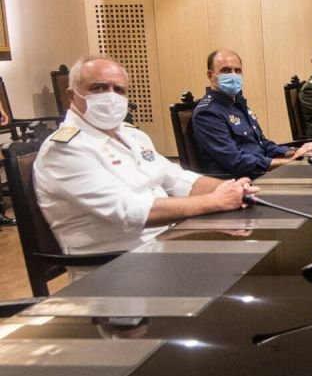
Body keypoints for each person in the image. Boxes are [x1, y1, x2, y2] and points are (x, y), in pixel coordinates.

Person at [34, 56, 256, 255]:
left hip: (163, 244)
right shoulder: (66, 149)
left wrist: (231, 188)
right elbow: (131, 211)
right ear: (72, 95)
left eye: (119, 90)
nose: (111, 96)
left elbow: (176, 178)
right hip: (114, 265)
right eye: (99, 88)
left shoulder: (131, 135)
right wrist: (214, 201)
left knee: (251, 254)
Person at [192, 49, 312, 178]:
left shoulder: (238, 104)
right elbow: (236, 161)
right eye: (226, 70)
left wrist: (293, 153)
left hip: (259, 173)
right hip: (238, 181)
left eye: (237, 71)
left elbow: (261, 144)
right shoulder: (207, 113)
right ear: (210, 75)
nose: (233, 75)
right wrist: (290, 162)